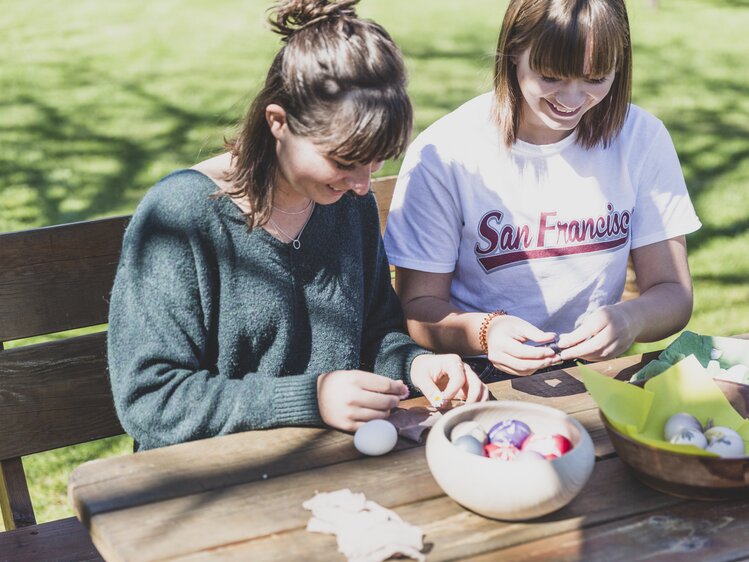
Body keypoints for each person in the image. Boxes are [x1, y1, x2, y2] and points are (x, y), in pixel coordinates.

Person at [107, 0, 488, 451]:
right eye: (345, 162)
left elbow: (376, 333)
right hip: (206, 482)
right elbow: (151, 401)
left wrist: (414, 365)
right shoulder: (179, 217)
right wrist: (311, 397)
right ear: (278, 123)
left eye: (378, 162)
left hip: (327, 464)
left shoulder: (347, 201)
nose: (364, 186)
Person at [383, 0, 701, 381]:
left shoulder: (641, 140)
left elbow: (673, 293)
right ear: (515, 51)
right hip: (477, 374)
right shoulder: (449, 153)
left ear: (620, 63)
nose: (571, 99)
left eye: (596, 77)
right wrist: (487, 332)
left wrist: (629, 319)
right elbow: (417, 308)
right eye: (551, 76)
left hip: (595, 375)